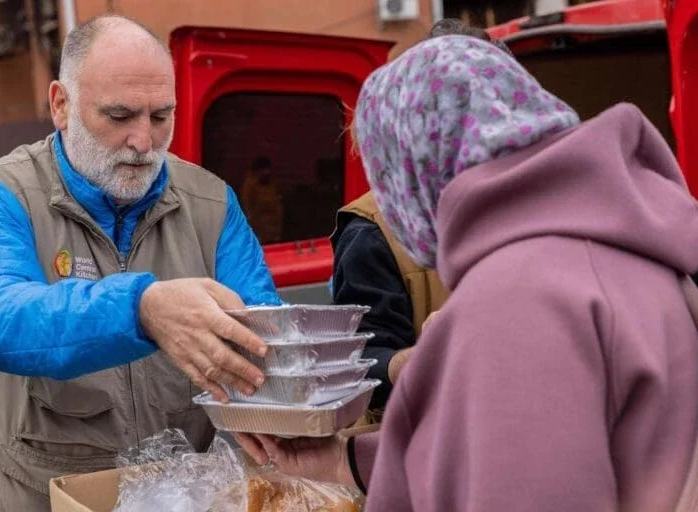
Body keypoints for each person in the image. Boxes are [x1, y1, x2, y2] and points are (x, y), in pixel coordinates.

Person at [237, 35, 698, 511]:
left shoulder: (519, 294)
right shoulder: (617, 241)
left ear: (414, 168)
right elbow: (527, 453)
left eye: (384, 174)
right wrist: (344, 460)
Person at [0, 15, 282, 511]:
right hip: (28, 499)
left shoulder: (211, 203)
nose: (144, 142)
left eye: (161, 116)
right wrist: (141, 309)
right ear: (61, 105)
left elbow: (263, 334)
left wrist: (276, 412)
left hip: (170, 500)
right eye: (120, 116)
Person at [331, 19, 506, 410]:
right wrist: (418, 358)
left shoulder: (533, 208)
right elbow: (354, 367)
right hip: (421, 434)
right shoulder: (372, 231)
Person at [240, 156, 283, 243]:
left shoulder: (271, 184)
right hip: (259, 232)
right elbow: (248, 209)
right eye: (264, 170)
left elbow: (277, 204)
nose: (266, 173)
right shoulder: (249, 186)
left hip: (273, 231)